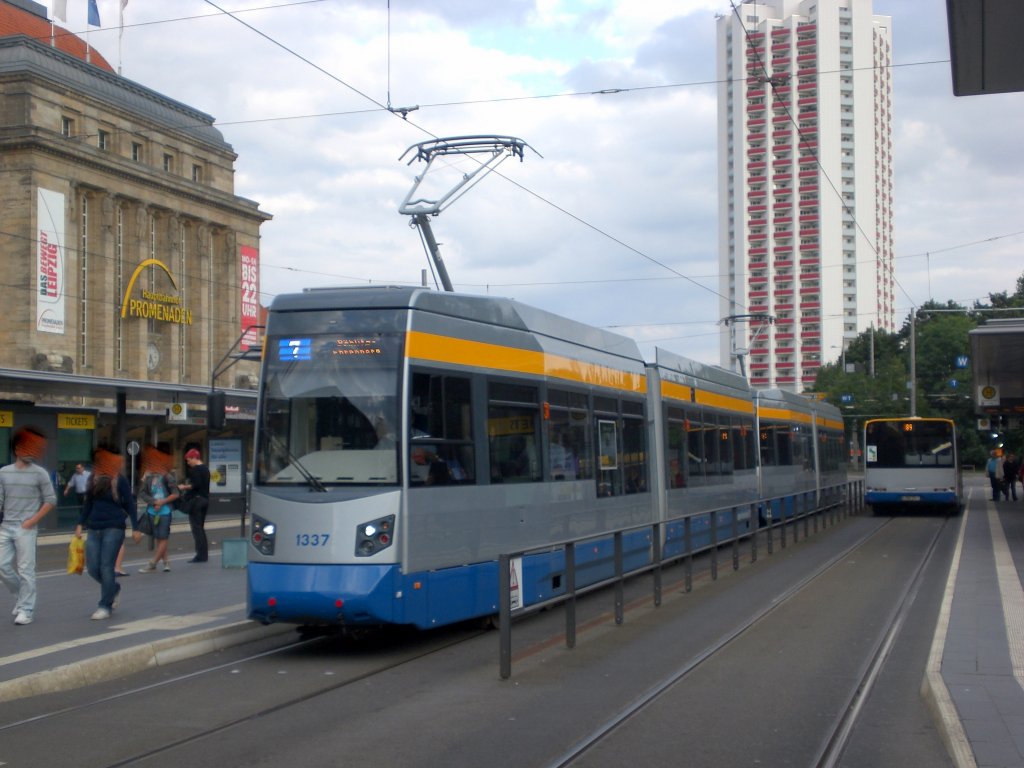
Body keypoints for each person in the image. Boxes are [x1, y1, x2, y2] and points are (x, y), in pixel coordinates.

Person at [75, 449, 141, 620]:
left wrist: (135, 527)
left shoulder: (120, 480)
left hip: (114, 527)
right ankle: (114, 589)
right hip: (94, 528)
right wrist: (80, 524)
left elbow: (130, 505)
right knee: (92, 568)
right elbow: (88, 503)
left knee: (106, 566)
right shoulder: (93, 479)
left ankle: (105, 606)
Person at [0, 427, 57, 625]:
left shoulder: (40, 473)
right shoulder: (4, 472)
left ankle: (26, 610)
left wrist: (32, 521)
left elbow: (51, 500)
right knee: (2, 565)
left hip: (26, 528)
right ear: (17, 450)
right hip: (5, 527)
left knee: (26, 570)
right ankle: (20, 597)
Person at [137, 446, 178, 573]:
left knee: (163, 537)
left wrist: (162, 501)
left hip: (165, 511)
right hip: (152, 511)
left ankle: (153, 563)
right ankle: (166, 562)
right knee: (159, 538)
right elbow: (142, 493)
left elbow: (175, 493)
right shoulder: (148, 477)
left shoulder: (167, 477)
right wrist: (154, 501)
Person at [179, 448, 211, 563]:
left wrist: (184, 487)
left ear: (194, 458)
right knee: (201, 528)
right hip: (205, 500)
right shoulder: (206, 469)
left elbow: (196, 485)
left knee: (196, 528)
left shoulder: (196, 470)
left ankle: (200, 555)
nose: (188, 463)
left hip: (196, 502)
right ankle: (204, 554)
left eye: (189, 460)